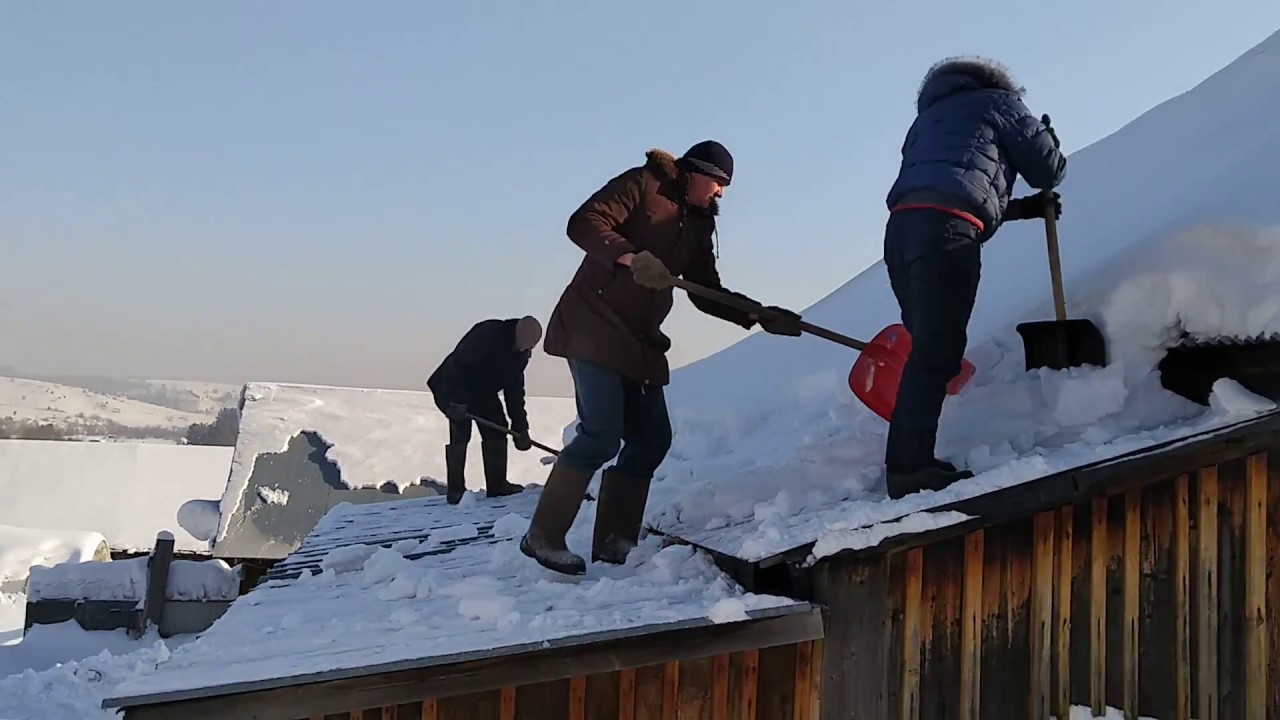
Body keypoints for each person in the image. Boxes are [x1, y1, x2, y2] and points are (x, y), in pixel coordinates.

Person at [520, 141, 805, 575]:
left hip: (640, 341)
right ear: (694, 174)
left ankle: (615, 542)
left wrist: (758, 314)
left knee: (651, 439)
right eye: (718, 182)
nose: (721, 193)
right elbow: (584, 222)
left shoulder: (699, 225)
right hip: (592, 325)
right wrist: (629, 256)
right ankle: (542, 535)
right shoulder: (643, 184)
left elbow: (705, 290)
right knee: (600, 435)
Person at [881, 56, 1068, 500]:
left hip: (901, 232)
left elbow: (956, 183)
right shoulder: (1000, 104)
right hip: (946, 230)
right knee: (936, 351)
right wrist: (1048, 139)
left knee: (929, 348)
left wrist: (1018, 208)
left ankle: (907, 460)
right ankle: (909, 468)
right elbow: (1048, 170)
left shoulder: (928, 121)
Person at [426, 316, 543, 504]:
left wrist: (521, 428)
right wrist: (457, 402)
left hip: (483, 392)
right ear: (517, 334)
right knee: (460, 430)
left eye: (531, 346)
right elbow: (458, 367)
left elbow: (515, 393)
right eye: (526, 344)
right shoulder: (487, 333)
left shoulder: (520, 356)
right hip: (452, 385)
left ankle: (497, 485)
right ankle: (456, 491)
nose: (527, 349)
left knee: (497, 427)